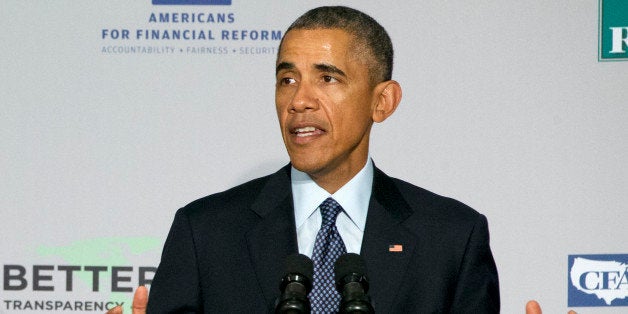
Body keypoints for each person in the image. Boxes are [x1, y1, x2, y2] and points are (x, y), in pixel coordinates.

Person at [111, 5, 499, 313]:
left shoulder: (452, 238)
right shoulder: (206, 232)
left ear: (382, 102)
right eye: (287, 80)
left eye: (327, 78)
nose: (299, 100)